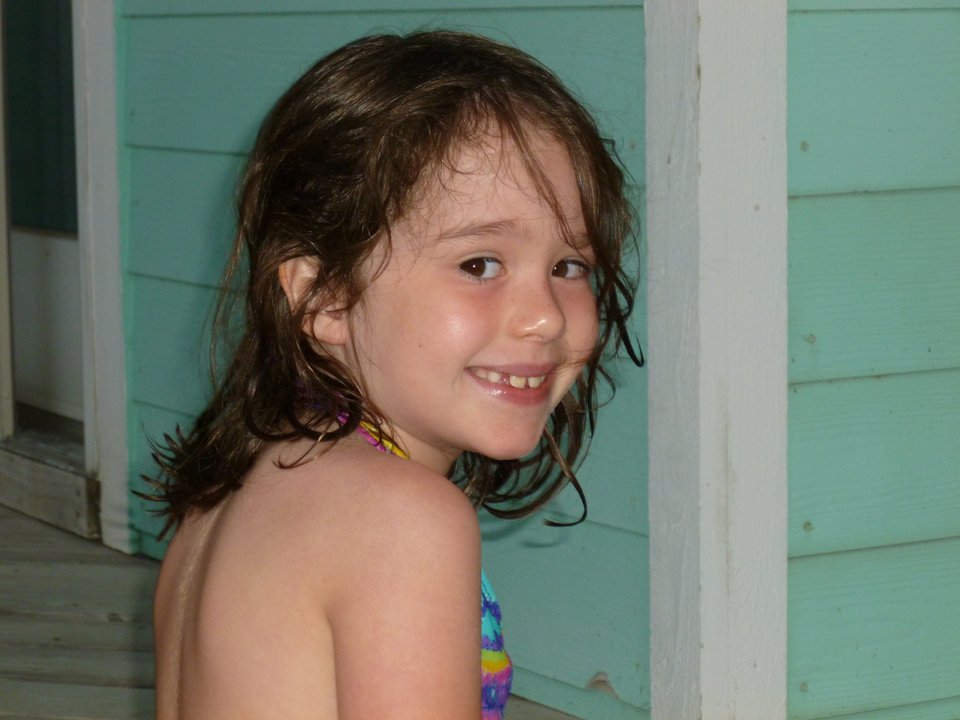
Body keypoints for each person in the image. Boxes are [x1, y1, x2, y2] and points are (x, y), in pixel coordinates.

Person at [148, 29, 639, 720]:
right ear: (324, 298)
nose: (545, 317)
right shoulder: (403, 523)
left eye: (569, 266)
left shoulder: (226, 493)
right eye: (480, 265)